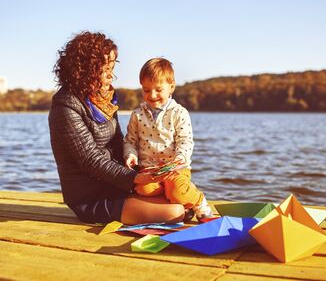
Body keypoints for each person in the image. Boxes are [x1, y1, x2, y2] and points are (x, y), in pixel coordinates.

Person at [49, 31, 185, 225]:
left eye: (112, 66)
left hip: (118, 183)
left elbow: (118, 140)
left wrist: (144, 167)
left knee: (180, 197)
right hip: (91, 196)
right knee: (175, 213)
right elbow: (91, 160)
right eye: (105, 68)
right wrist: (135, 178)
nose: (111, 74)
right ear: (85, 68)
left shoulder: (102, 97)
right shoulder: (65, 105)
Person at [123, 58, 213, 221]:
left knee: (176, 190)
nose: (152, 95)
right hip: (149, 170)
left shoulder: (179, 113)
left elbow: (185, 140)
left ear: (171, 87)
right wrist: (131, 155)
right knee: (143, 190)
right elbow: (130, 141)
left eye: (158, 89)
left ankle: (199, 203)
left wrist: (181, 157)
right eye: (146, 90)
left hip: (175, 169)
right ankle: (181, 210)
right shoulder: (137, 115)